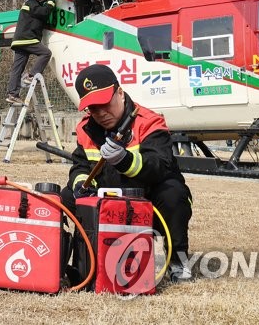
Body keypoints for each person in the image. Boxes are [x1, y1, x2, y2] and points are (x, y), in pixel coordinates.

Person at [62, 64, 193, 282]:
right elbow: (80, 165)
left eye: (105, 103)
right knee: (68, 195)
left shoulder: (149, 122)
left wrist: (125, 160)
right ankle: (86, 260)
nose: (101, 113)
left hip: (148, 201)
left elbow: (160, 166)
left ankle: (177, 262)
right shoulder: (85, 128)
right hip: (109, 204)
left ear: (120, 93)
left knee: (174, 195)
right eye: (93, 108)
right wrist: (81, 184)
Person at [6, 0, 55, 104]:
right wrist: (50, 2)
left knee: (17, 69)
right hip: (27, 39)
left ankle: (12, 94)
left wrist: (45, 1)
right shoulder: (31, 3)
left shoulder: (29, 3)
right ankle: (31, 76)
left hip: (19, 41)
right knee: (46, 53)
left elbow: (38, 10)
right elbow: (44, 12)